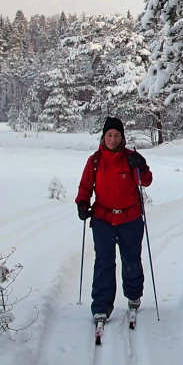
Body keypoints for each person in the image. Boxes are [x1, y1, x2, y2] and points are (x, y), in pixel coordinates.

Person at [75, 117, 152, 322]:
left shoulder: (130, 158)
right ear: (103, 136)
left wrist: (142, 167)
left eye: (116, 135)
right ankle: (101, 305)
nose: (112, 139)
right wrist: (82, 204)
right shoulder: (95, 161)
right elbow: (85, 186)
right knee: (103, 263)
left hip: (130, 218)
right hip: (103, 219)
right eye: (109, 135)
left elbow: (146, 181)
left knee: (131, 260)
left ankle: (134, 295)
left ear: (122, 137)